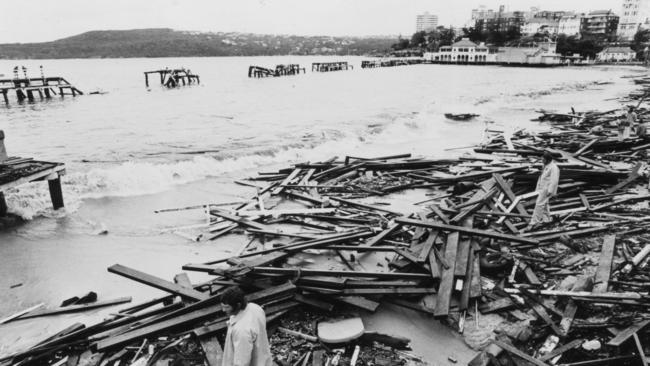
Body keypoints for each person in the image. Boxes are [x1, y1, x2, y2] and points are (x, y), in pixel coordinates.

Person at [221, 286, 272, 366]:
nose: (223, 310)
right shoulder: (255, 308)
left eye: (227, 307)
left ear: (238, 305)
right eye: (222, 306)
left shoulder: (242, 330)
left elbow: (241, 362)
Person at [526, 151, 560, 231]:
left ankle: (533, 222)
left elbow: (554, 180)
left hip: (547, 189)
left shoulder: (554, 167)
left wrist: (550, 191)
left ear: (548, 159)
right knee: (544, 204)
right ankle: (547, 219)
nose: (542, 160)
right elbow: (542, 177)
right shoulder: (545, 165)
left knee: (539, 204)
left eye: (543, 159)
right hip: (542, 188)